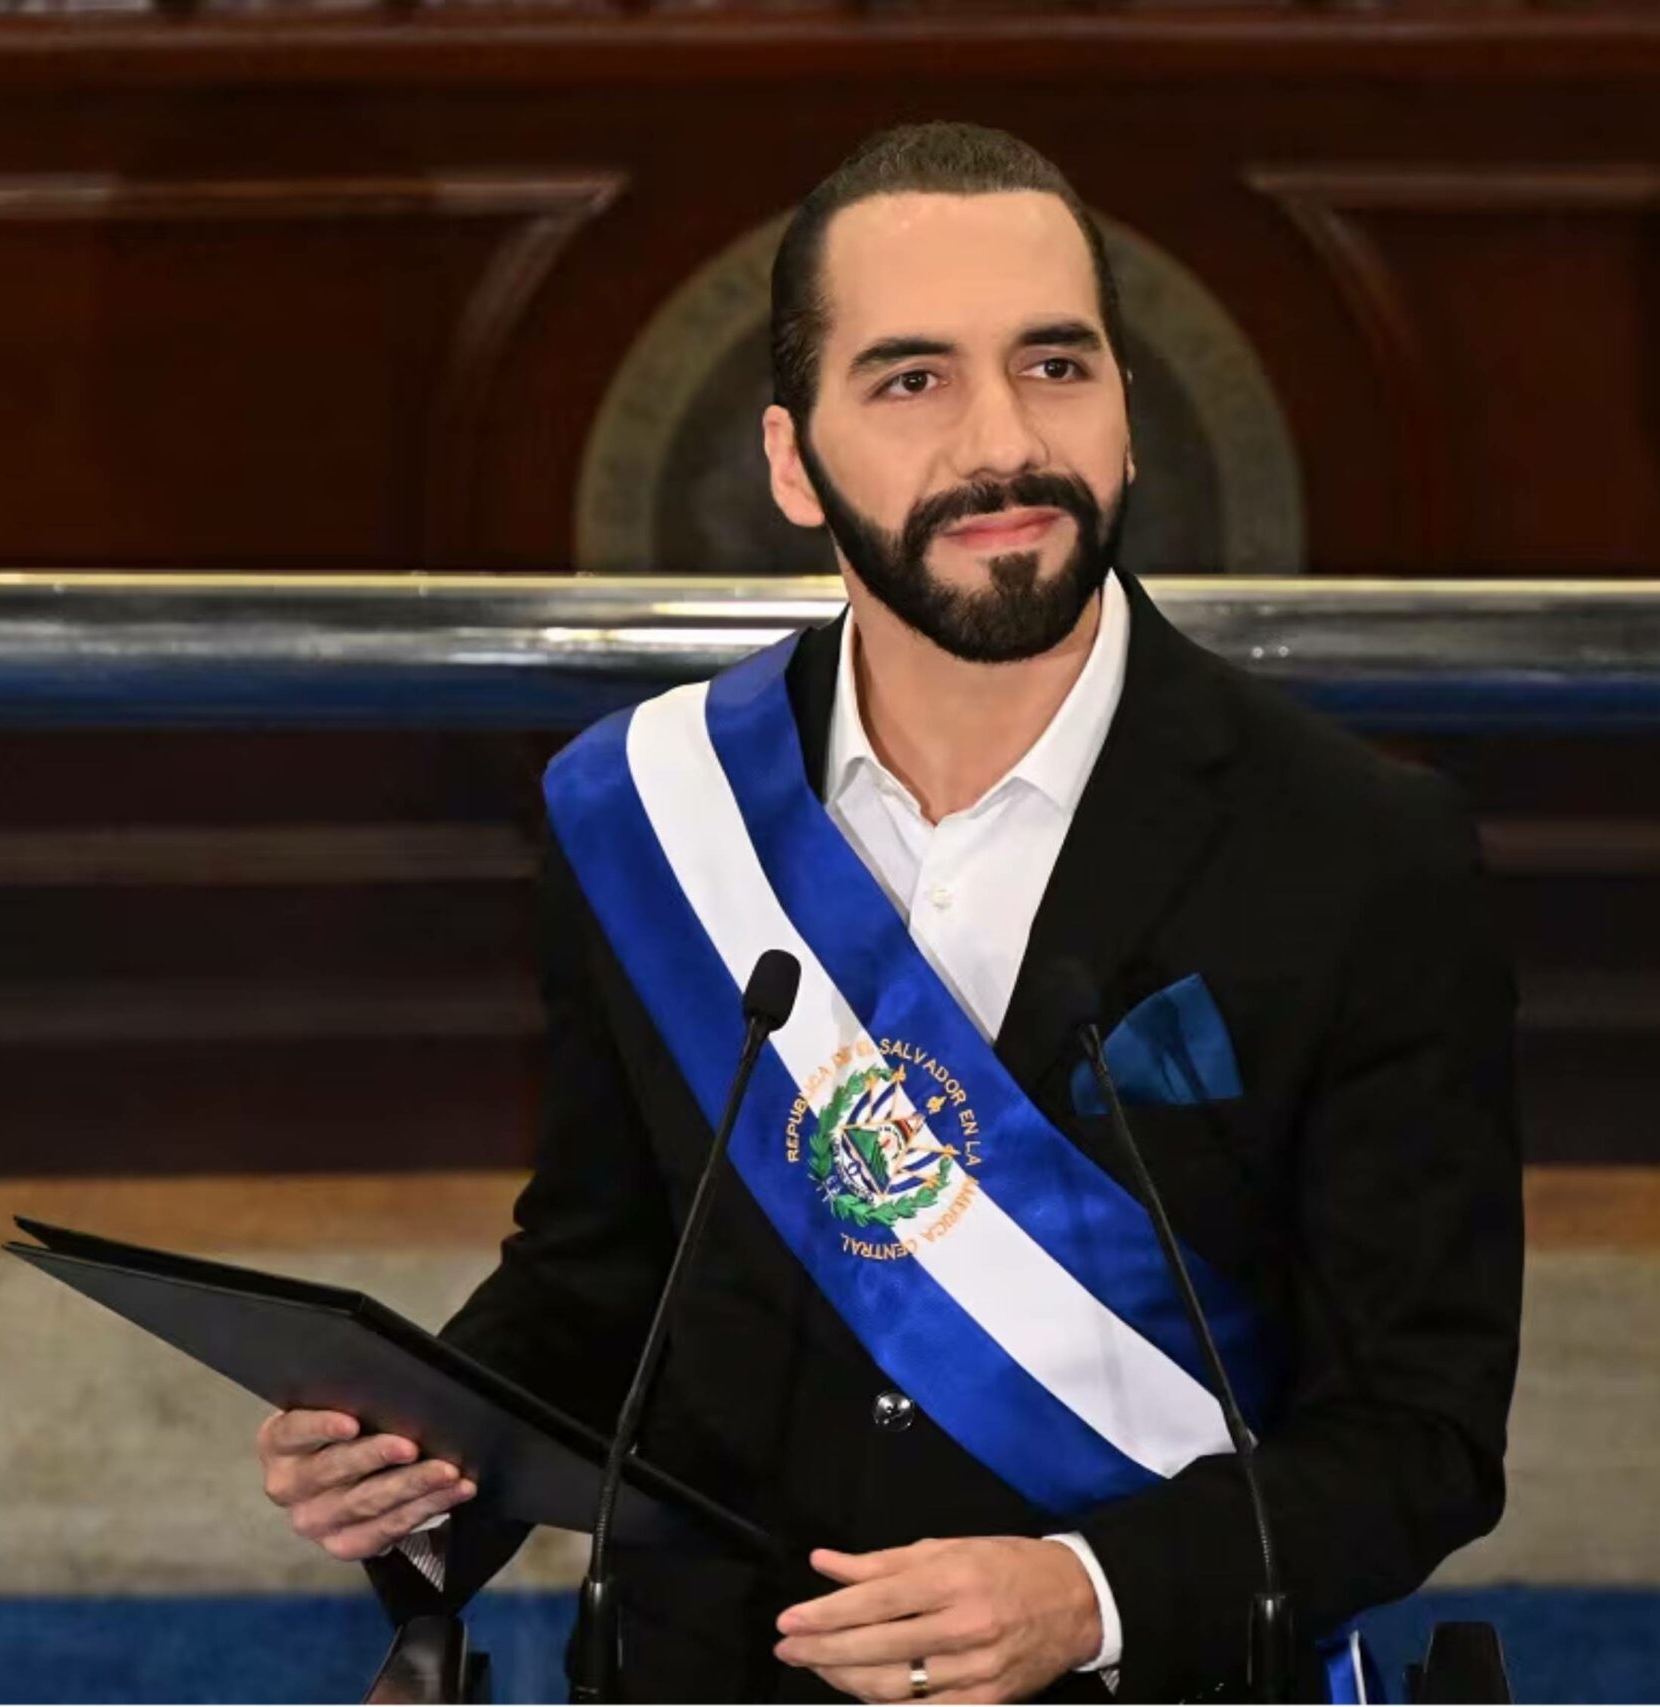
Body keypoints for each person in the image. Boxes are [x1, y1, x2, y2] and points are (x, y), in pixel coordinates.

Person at [254, 121, 1522, 1705]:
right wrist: (429, 1467)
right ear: (792, 463)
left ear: (1127, 415)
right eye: (914, 379)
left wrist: (1090, 1598)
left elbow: (1420, 1433)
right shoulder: (648, 812)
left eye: (1055, 366)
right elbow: (604, 1278)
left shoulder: (1362, 853)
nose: (1005, 442)